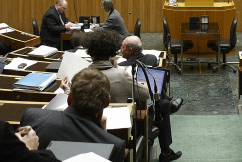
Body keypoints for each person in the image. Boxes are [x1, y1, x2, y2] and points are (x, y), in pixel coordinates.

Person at [85, 30, 182, 162]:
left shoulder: (80, 74)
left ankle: (163, 147)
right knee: (160, 106)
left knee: (162, 106)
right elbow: (148, 93)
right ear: (112, 53)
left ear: (90, 54)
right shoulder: (121, 75)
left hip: (85, 127)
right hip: (119, 129)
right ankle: (160, 145)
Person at [20, 69, 124, 161]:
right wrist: (103, 134)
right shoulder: (114, 145)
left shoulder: (31, 116)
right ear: (107, 102)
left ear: (69, 98)